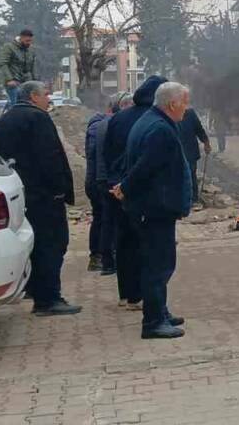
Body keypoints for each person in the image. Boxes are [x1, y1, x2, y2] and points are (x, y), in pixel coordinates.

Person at [0, 80, 81, 315]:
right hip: (44, 195)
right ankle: (49, 299)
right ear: (33, 96)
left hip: (19, 194)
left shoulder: (6, 118)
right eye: (46, 95)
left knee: (34, 244)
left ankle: (33, 287)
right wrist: (59, 188)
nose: (49, 99)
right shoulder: (38, 118)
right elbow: (49, 157)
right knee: (53, 244)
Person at [121, 82, 193, 339]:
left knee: (160, 263)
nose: (187, 107)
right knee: (158, 266)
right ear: (172, 104)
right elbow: (145, 167)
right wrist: (125, 187)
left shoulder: (150, 121)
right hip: (155, 209)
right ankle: (153, 322)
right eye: (185, 102)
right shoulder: (160, 129)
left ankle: (160, 312)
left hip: (152, 207)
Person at [104, 75, 169, 309]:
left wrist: (113, 182)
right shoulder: (154, 120)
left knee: (124, 242)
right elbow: (150, 161)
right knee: (147, 245)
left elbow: (107, 152)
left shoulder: (118, 118)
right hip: (141, 191)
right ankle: (144, 298)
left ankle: (126, 294)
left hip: (115, 186)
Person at [93, 92, 133, 276]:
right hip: (114, 179)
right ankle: (116, 260)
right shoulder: (117, 124)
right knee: (118, 222)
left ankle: (107, 262)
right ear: (123, 105)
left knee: (107, 221)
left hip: (102, 178)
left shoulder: (101, 124)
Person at [84, 100, 115, 272]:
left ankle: (97, 258)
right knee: (104, 219)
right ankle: (101, 257)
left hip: (95, 180)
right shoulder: (101, 127)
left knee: (101, 218)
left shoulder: (95, 126)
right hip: (100, 181)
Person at [177, 106, 211, 208]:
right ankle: (181, 199)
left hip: (190, 151)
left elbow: (199, 129)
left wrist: (206, 142)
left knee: (191, 174)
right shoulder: (168, 114)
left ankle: (193, 198)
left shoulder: (190, 113)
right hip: (176, 152)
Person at [0, 29, 37, 108]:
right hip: (14, 83)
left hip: (27, 83)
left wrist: (35, 82)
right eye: (27, 41)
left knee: (28, 106)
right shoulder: (9, 47)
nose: (29, 43)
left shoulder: (30, 51)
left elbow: (32, 67)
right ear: (21, 38)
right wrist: (9, 79)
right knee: (17, 105)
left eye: (30, 41)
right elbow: (3, 63)